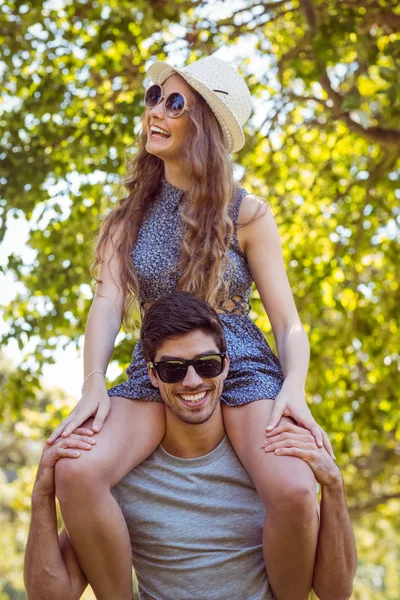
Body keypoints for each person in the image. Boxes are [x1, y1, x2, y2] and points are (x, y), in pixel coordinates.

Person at [47, 55, 336, 600]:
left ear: (203, 122)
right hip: (157, 369)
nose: (155, 110)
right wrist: (92, 385)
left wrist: (293, 390)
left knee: (295, 490)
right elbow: (107, 303)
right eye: (154, 96)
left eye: (173, 102)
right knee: (76, 475)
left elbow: (288, 323)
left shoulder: (246, 213)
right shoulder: (126, 216)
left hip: (243, 367)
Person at [25, 293, 357, 600]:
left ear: (226, 364)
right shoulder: (120, 477)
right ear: (152, 376)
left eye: (207, 363)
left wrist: (333, 485)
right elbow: (52, 596)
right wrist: (41, 496)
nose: (192, 381)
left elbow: (335, 592)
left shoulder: (269, 466)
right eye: (173, 369)